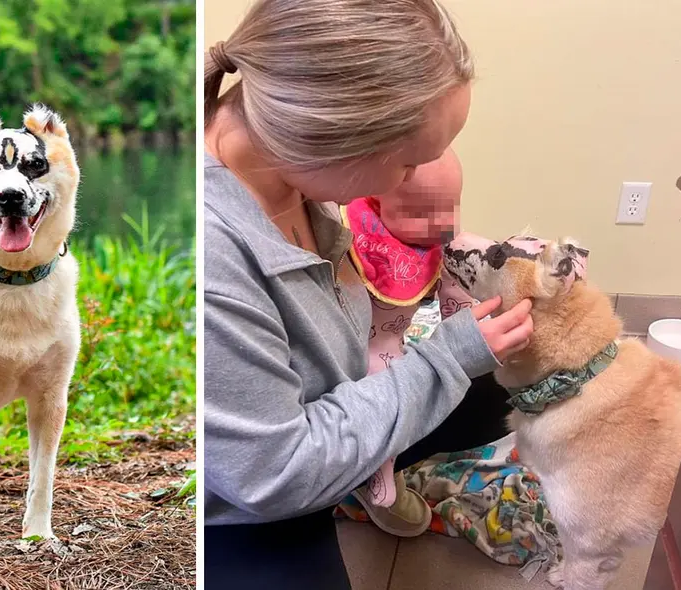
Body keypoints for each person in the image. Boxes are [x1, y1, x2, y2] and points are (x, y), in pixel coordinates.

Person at [203, 1, 535, 588]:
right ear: (337, 141)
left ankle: (360, 469)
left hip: (319, 405)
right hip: (242, 499)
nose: (415, 180)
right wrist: (447, 358)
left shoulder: (293, 170)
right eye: (411, 164)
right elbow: (272, 474)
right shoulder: (211, 261)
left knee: (490, 395)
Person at [340, 147, 483, 538]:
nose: (443, 225)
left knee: (410, 379)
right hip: (355, 347)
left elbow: (455, 296)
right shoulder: (354, 233)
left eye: (451, 208)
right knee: (384, 392)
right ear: (376, 197)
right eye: (422, 213)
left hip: (392, 341)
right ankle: (378, 467)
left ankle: (387, 460)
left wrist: (465, 319)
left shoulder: (437, 241)